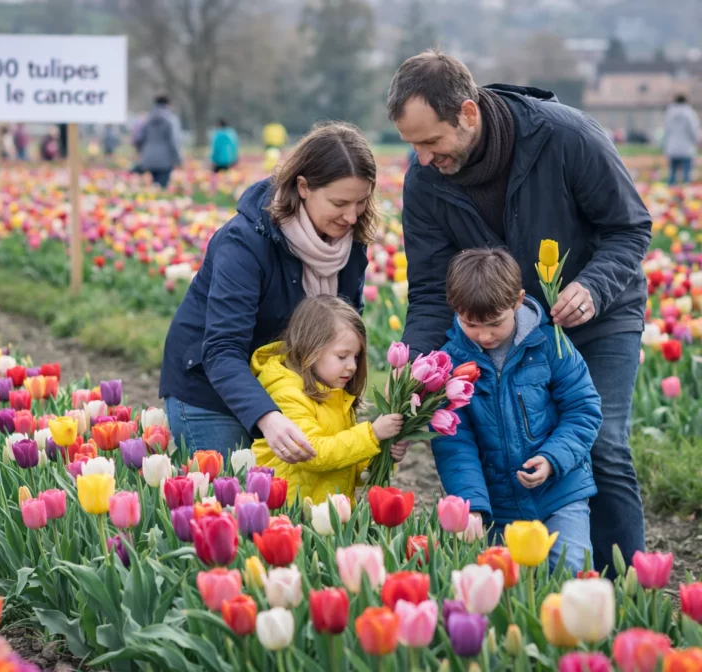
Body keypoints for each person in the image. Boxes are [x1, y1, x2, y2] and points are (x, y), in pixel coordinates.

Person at [387, 50, 652, 576]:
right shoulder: (426, 183)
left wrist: (593, 287)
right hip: (497, 329)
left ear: (467, 113)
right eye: (411, 144)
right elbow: (431, 290)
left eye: (430, 141)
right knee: (497, 446)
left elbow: (629, 228)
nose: (421, 159)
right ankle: (537, 576)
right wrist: (415, 381)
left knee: (600, 443)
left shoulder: (565, 136)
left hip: (595, 314)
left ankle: (628, 586)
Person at [159, 122, 376, 460]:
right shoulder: (245, 242)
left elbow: (345, 332)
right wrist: (268, 416)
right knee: (233, 502)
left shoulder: (349, 246)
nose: (351, 216)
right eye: (339, 202)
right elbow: (222, 347)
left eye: (361, 202)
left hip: (292, 392)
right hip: (212, 393)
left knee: (292, 503)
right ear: (303, 187)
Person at [432, 248, 602, 572]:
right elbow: (454, 443)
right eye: (470, 324)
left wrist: (553, 459)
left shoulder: (551, 346)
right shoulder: (451, 363)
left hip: (559, 492)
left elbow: (584, 409)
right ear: (455, 309)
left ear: (518, 300)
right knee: (502, 588)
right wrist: (473, 505)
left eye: (495, 323)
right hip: (497, 504)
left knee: (570, 570)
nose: (484, 336)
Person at [252, 295, 406, 504]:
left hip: (327, 515)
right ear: (311, 349)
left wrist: (384, 454)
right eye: (342, 356)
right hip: (291, 513)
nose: (352, 366)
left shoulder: (335, 395)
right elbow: (313, 454)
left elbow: (348, 465)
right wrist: (373, 434)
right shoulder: (287, 393)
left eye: (356, 357)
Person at [134, 95, 182, 188]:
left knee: (154, 186)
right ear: (168, 105)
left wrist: (141, 152)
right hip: (165, 159)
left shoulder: (147, 120)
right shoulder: (171, 120)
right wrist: (178, 160)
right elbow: (174, 141)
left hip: (148, 157)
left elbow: (138, 138)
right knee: (163, 187)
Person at [662, 94, 699, 185]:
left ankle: (670, 195)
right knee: (687, 175)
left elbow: (666, 131)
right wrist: (696, 141)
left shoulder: (669, 113)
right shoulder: (690, 113)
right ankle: (687, 194)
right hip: (686, 148)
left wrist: (664, 145)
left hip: (672, 147)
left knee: (672, 174)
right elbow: (693, 131)